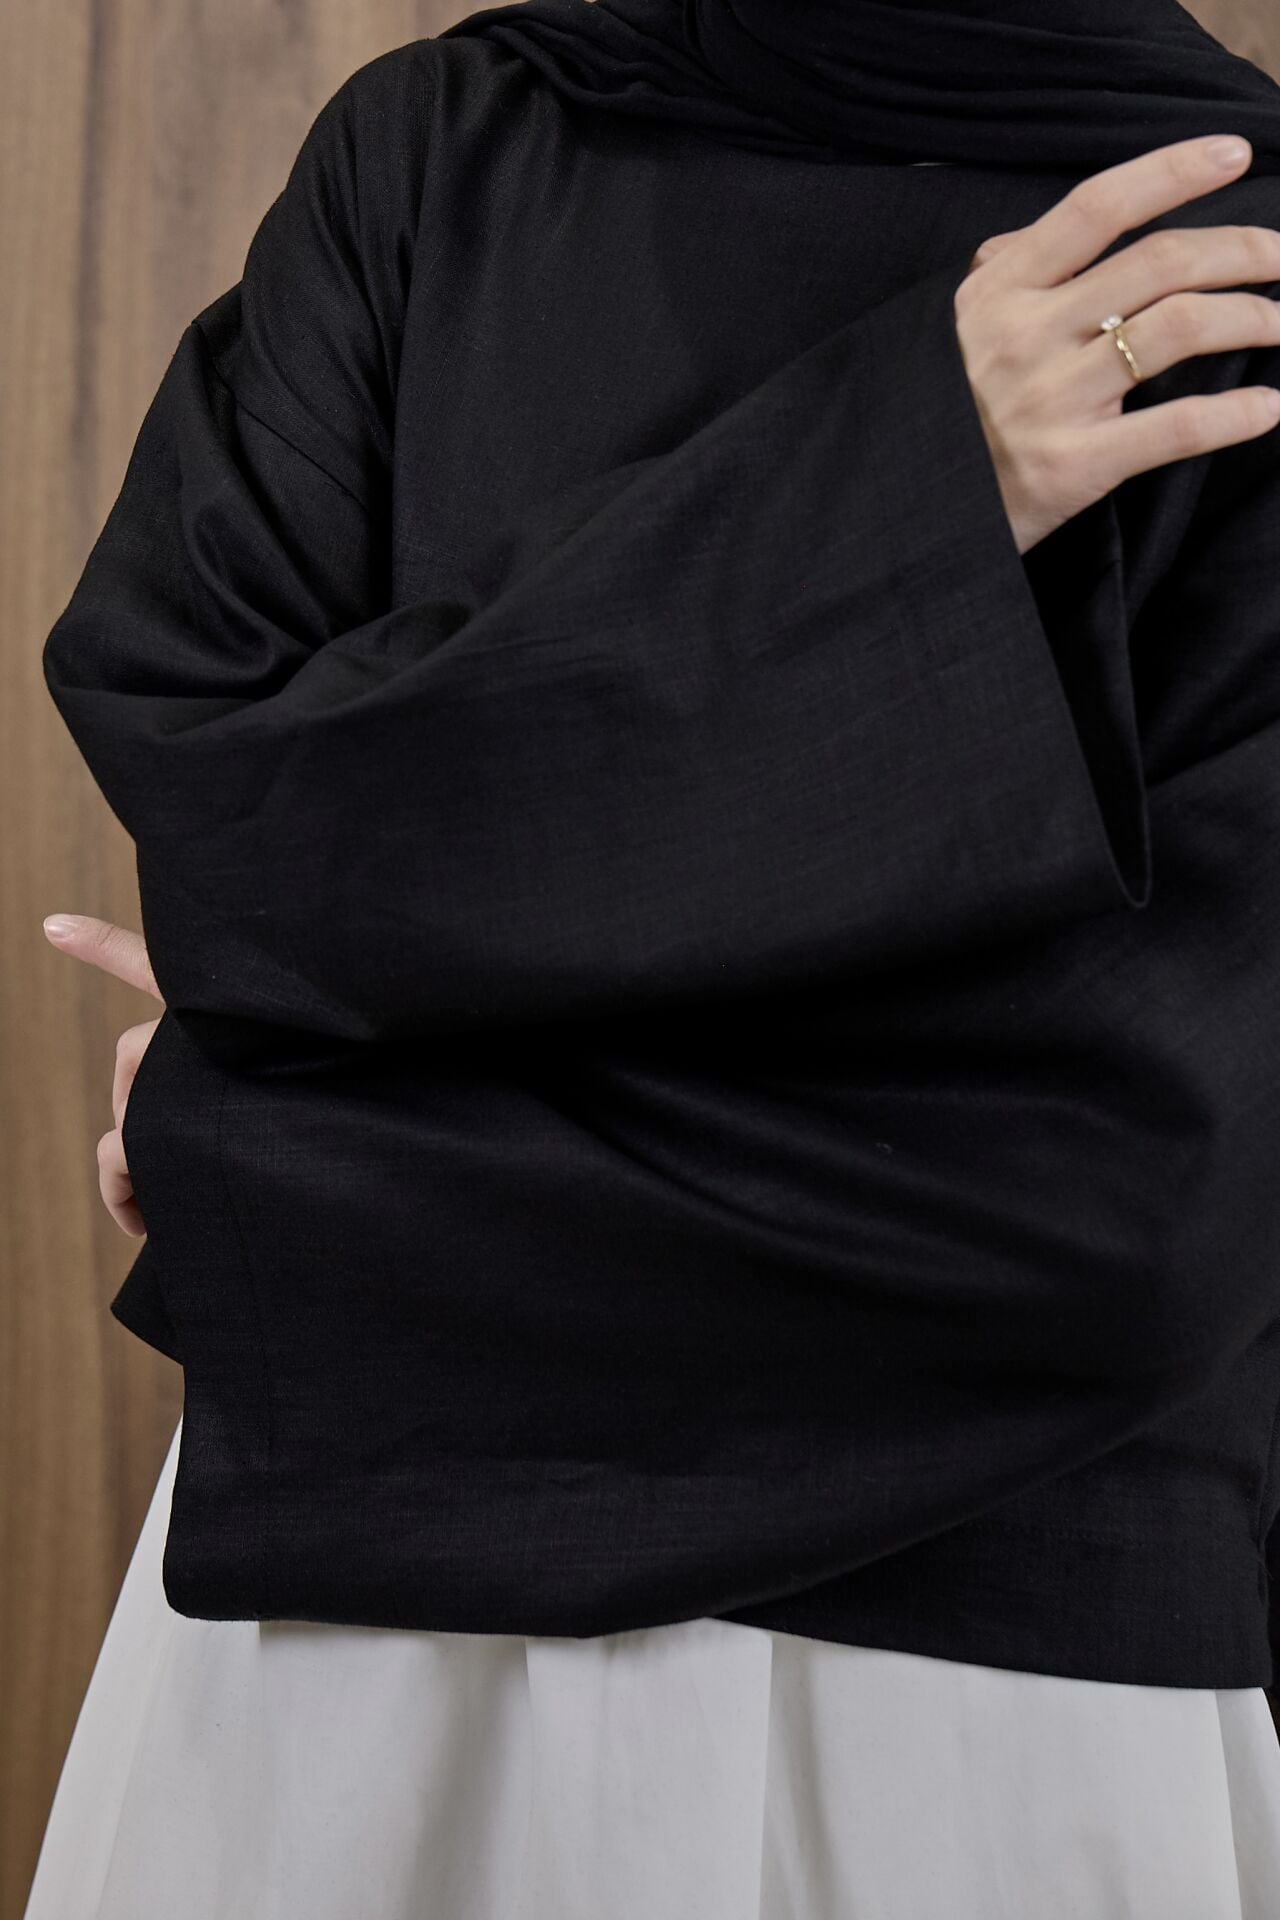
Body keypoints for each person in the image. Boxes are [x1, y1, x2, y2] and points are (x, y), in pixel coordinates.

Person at [25, 3, 1280, 1914]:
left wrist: (286, 1153)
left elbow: (1135, 1219)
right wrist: (898, 494)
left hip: (989, 1711)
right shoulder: (436, 156)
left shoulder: (1232, 273)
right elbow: (233, 824)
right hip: (339, 1660)